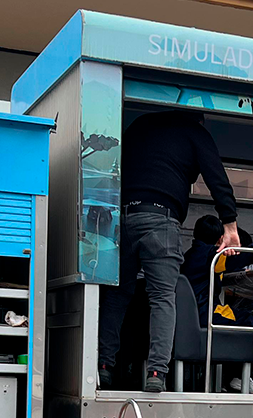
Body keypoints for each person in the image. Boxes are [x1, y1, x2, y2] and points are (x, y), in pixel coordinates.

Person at [97, 110, 240, 393]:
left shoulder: (139, 124)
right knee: (162, 297)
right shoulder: (195, 132)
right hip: (161, 219)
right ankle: (156, 373)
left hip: (121, 217)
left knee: (116, 294)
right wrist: (230, 224)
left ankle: (103, 366)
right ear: (199, 118)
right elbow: (216, 177)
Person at [181, 216, 253, 392]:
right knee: (246, 319)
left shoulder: (191, 255)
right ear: (219, 240)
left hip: (192, 316)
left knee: (239, 316)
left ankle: (239, 377)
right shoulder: (212, 256)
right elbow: (244, 256)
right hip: (205, 314)